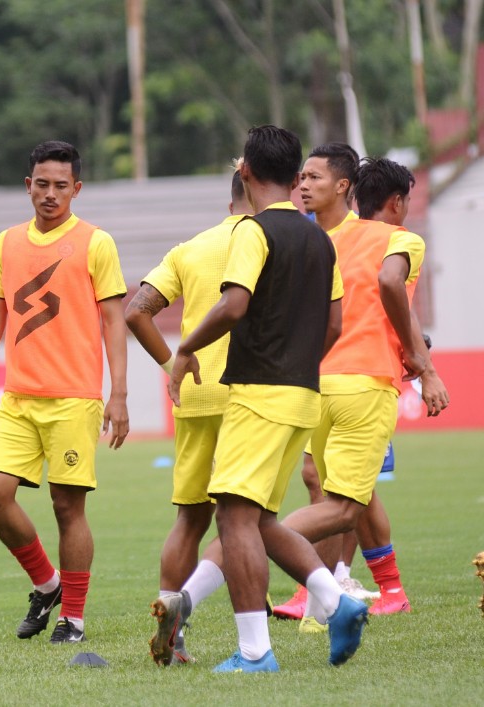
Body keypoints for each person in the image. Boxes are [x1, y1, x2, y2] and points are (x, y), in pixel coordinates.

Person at [165, 124, 367, 673]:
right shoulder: (319, 238)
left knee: (231, 519)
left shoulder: (253, 232)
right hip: (302, 393)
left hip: (258, 392)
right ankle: (335, 601)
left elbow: (233, 305)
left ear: (246, 173)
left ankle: (255, 651)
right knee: (258, 520)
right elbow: (335, 324)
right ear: (294, 172)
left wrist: (184, 350)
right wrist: (298, 362)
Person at [0, 140, 129, 644]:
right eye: (41, 184)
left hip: (75, 398)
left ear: (76, 189)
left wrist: (118, 393)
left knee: (66, 508)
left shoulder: (97, 242)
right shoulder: (8, 242)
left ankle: (73, 617)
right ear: (27, 185)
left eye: (60, 186)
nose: (50, 194)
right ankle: (46, 583)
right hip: (18, 398)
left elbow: (114, 319)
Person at [275, 156, 449, 633]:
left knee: (338, 494)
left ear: (346, 189)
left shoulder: (316, 242)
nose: (305, 186)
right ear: (398, 202)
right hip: (364, 382)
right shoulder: (399, 240)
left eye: (313, 178)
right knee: (344, 502)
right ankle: (268, 543)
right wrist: (424, 363)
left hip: (315, 384)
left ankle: (325, 599)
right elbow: (391, 285)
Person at [125, 166, 251, 665]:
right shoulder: (270, 240)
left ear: (229, 203)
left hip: (197, 397)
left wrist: (173, 363)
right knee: (248, 520)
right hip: (251, 396)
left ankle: (170, 631)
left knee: (189, 520)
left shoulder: (191, 248)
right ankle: (238, 630)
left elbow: (136, 310)